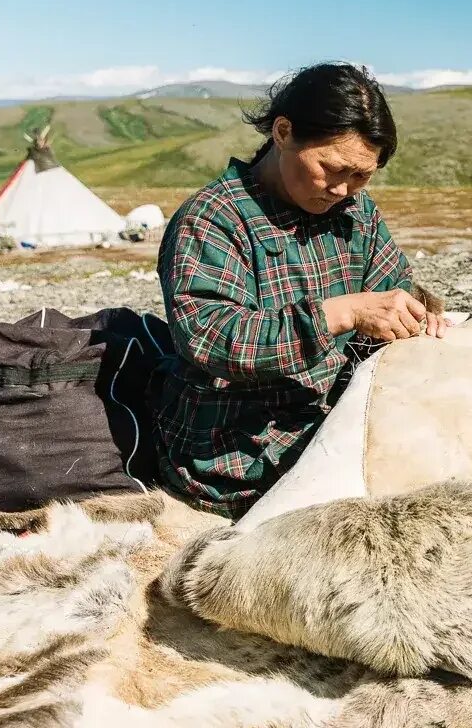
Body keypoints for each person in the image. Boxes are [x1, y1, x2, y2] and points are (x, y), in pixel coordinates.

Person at [155, 62, 449, 518]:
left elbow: (393, 290)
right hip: (237, 455)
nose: (342, 189)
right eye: (331, 168)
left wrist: (413, 315)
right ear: (284, 131)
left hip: (332, 425)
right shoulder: (213, 218)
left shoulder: (357, 213)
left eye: (362, 176)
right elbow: (211, 336)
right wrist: (341, 313)